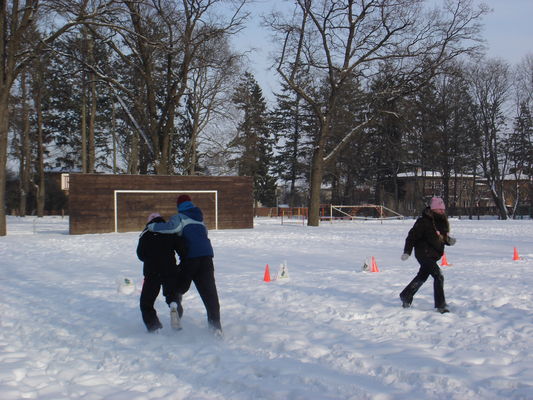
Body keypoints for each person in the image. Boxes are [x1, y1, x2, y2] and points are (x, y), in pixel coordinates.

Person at [148, 195, 222, 337]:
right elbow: (204, 234)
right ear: (191, 203)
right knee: (209, 293)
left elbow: (172, 227)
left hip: (190, 258)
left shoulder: (180, 217)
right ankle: (215, 326)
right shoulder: (200, 218)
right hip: (207, 257)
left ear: (179, 205)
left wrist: (153, 226)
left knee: (178, 287)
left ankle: (175, 305)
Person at [399, 197, 456, 313]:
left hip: (433, 254)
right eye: (440, 209)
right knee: (438, 275)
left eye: (443, 209)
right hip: (423, 254)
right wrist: (407, 252)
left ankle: (406, 294)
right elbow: (411, 237)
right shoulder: (423, 222)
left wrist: (448, 241)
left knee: (422, 276)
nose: (442, 211)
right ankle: (441, 305)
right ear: (433, 209)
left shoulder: (441, 222)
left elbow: (440, 237)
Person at [137, 212, 186, 332]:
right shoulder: (169, 230)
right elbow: (182, 249)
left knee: (147, 302)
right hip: (169, 269)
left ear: (149, 222)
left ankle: (154, 327)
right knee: (173, 295)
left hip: (151, 272)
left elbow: (140, 254)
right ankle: (174, 306)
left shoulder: (145, 233)